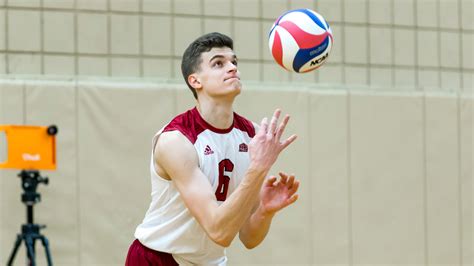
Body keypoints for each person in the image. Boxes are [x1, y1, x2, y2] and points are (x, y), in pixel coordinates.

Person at [125, 32, 299, 266]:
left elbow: (248, 237)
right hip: (159, 259)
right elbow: (219, 231)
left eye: (234, 62)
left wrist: (265, 212)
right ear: (195, 81)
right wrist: (258, 167)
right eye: (219, 63)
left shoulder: (252, 136)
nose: (232, 68)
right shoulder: (176, 141)